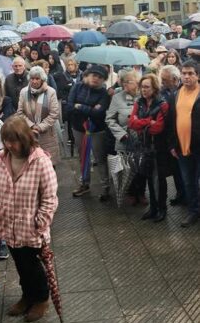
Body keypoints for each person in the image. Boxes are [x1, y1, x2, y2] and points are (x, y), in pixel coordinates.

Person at [0, 116, 58, 322]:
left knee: (33, 266)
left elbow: (50, 197)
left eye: (14, 140)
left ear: (25, 138)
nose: (10, 145)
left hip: (31, 227)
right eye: (6, 140)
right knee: (20, 264)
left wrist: (40, 222)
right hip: (7, 224)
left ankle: (41, 298)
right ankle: (27, 296)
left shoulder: (40, 160)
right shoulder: (1, 157)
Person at [128, 74, 170, 222]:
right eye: (142, 87)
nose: (143, 90)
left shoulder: (162, 104)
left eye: (147, 87)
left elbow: (158, 128)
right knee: (149, 178)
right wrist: (148, 122)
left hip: (158, 147)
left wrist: (141, 123)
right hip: (144, 147)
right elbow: (132, 123)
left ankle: (162, 209)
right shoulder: (139, 103)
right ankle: (153, 208)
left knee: (159, 179)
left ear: (155, 88)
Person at [69, 65, 111, 198]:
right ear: (87, 75)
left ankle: (105, 187)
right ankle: (84, 184)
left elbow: (99, 113)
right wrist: (90, 109)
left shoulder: (104, 93)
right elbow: (69, 106)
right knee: (83, 156)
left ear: (103, 80)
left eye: (100, 77)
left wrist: (80, 106)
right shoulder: (77, 87)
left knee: (100, 158)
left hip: (97, 130)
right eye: (94, 75)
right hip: (79, 128)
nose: (96, 79)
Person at [171, 60, 200, 227]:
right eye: (184, 73)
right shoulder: (176, 93)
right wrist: (172, 144)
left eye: (191, 73)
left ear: (198, 75)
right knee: (188, 182)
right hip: (182, 146)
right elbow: (171, 121)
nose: (187, 76)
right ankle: (193, 211)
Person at [106, 69, 141, 203]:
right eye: (123, 82)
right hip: (124, 139)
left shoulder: (143, 96)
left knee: (142, 166)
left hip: (141, 139)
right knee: (127, 166)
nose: (125, 84)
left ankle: (141, 192)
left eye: (129, 82)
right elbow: (109, 119)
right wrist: (122, 135)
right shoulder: (117, 97)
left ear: (137, 83)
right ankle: (129, 192)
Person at [16, 66, 61, 165]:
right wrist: (31, 125)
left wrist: (40, 127)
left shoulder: (50, 92)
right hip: (29, 133)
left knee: (48, 165)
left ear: (42, 79)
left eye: (37, 78)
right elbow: (20, 112)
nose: (34, 81)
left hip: (47, 134)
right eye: (32, 78)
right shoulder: (24, 92)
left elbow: (54, 113)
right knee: (32, 165)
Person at [160, 65, 184, 206]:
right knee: (175, 168)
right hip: (169, 136)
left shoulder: (183, 90)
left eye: (165, 79)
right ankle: (181, 193)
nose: (162, 82)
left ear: (175, 79)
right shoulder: (163, 91)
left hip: (183, 135)